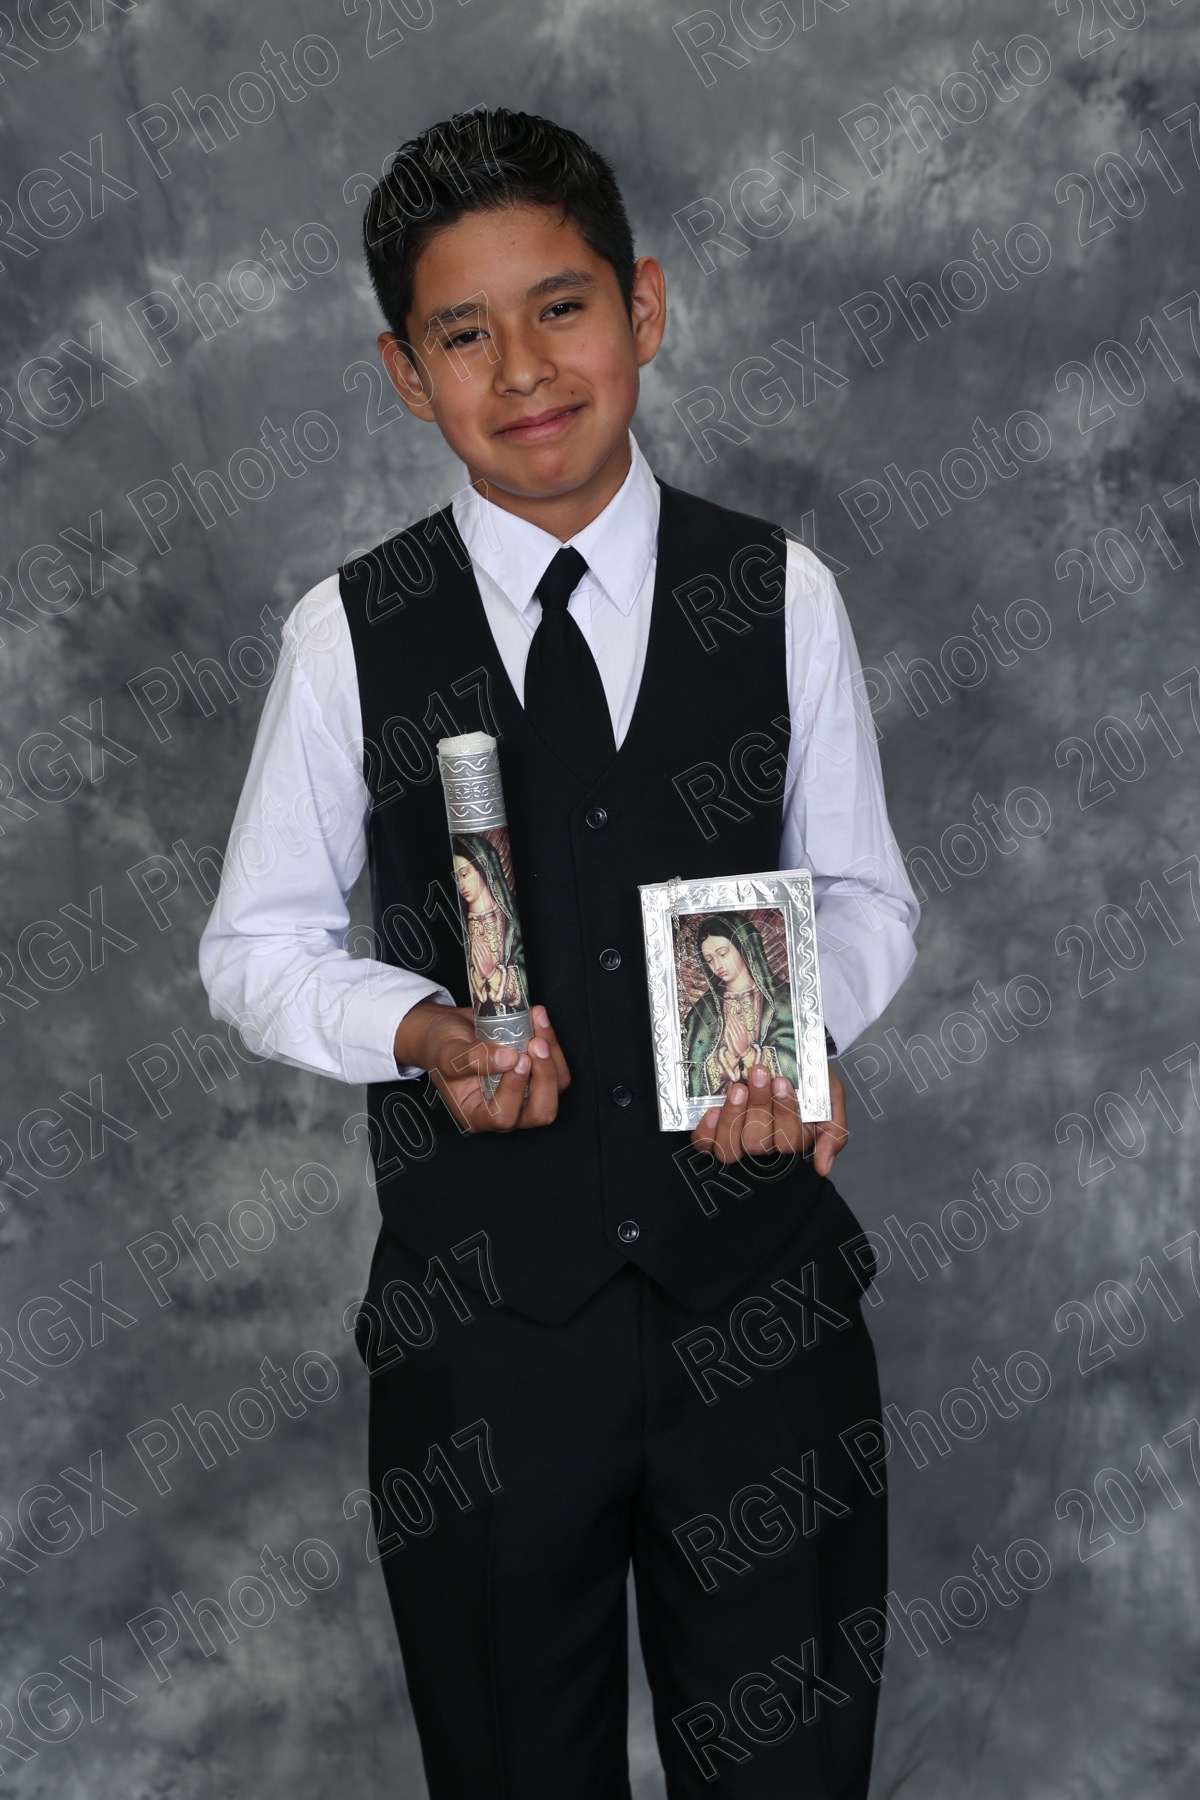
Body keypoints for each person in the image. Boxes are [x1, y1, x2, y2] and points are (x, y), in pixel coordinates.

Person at [198, 106, 921, 1800]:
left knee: (790, 1769)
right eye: (465, 334)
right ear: (407, 374)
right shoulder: (347, 635)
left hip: (761, 1315)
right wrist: (426, 1031)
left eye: (564, 307)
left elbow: (867, 897)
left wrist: (788, 1036)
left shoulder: (781, 593)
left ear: (644, 308)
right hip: (485, 1350)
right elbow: (256, 946)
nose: (524, 368)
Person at [683, 912, 797, 1097]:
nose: (717, 965)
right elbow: (692, 1070)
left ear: (743, 946)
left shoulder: (784, 999)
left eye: (723, 953)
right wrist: (728, 1058)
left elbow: (795, 1058)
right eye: (709, 960)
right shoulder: (702, 1013)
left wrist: (748, 1054)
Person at [451, 831, 527, 1015]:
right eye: (457, 878)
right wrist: (477, 977)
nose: (461, 885)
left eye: (465, 874)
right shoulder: (462, 921)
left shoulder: (508, 919)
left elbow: (522, 973)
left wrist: (494, 975)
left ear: (483, 868)